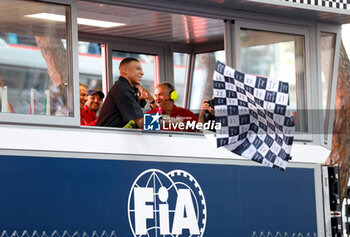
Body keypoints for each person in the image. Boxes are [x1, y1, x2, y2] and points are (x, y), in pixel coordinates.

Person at [96, 57, 154, 128]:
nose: (142, 73)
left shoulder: (131, 89)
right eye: (138, 69)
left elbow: (144, 113)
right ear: (125, 70)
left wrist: (151, 100)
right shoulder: (121, 88)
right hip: (110, 136)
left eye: (141, 70)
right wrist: (167, 122)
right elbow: (140, 121)